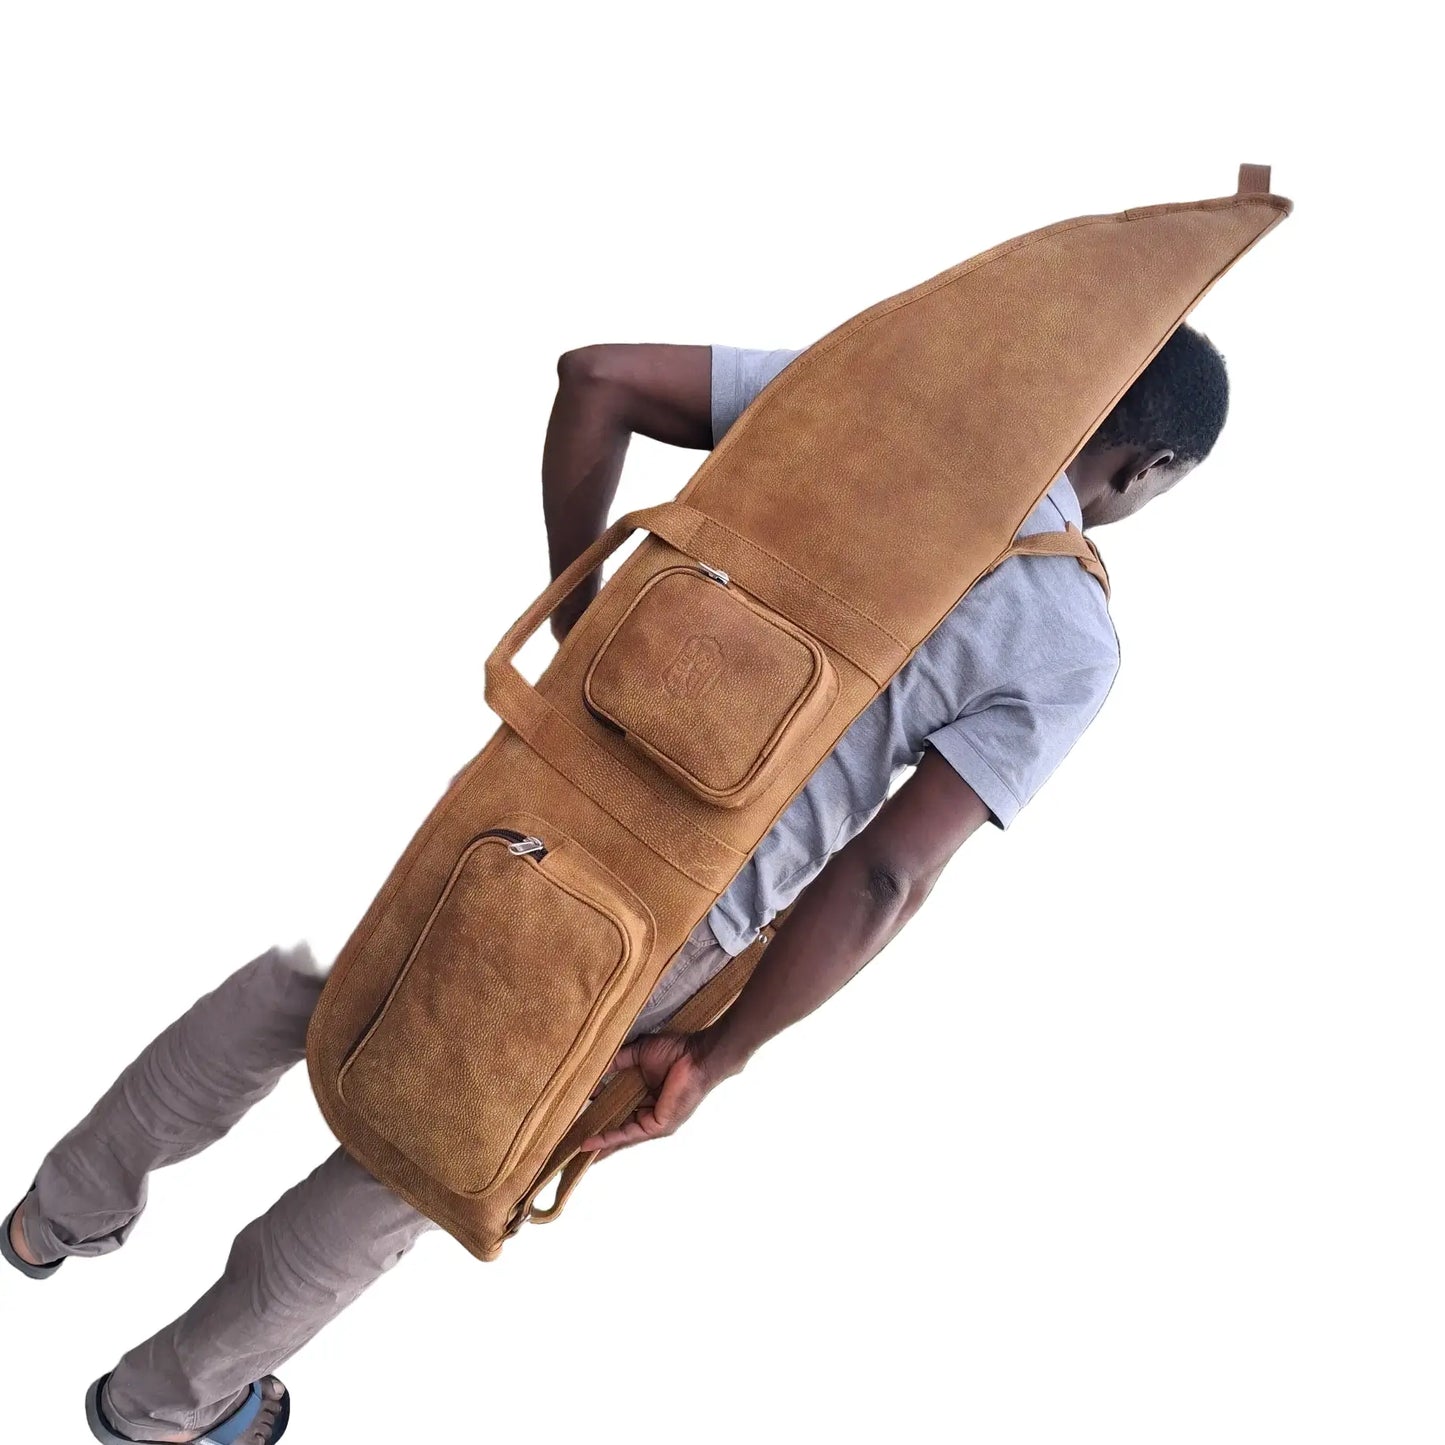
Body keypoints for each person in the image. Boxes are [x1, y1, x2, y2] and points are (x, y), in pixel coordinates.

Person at [3, 329, 1229, 1443]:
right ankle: (163, 1406)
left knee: (311, 978)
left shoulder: (872, 395)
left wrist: (583, 627)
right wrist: (718, 1055)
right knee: (430, 1150)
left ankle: (55, 1213)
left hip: (530, 780)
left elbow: (596, 378)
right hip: (669, 913)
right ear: (1148, 461)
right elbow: (878, 877)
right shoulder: (1067, 635)